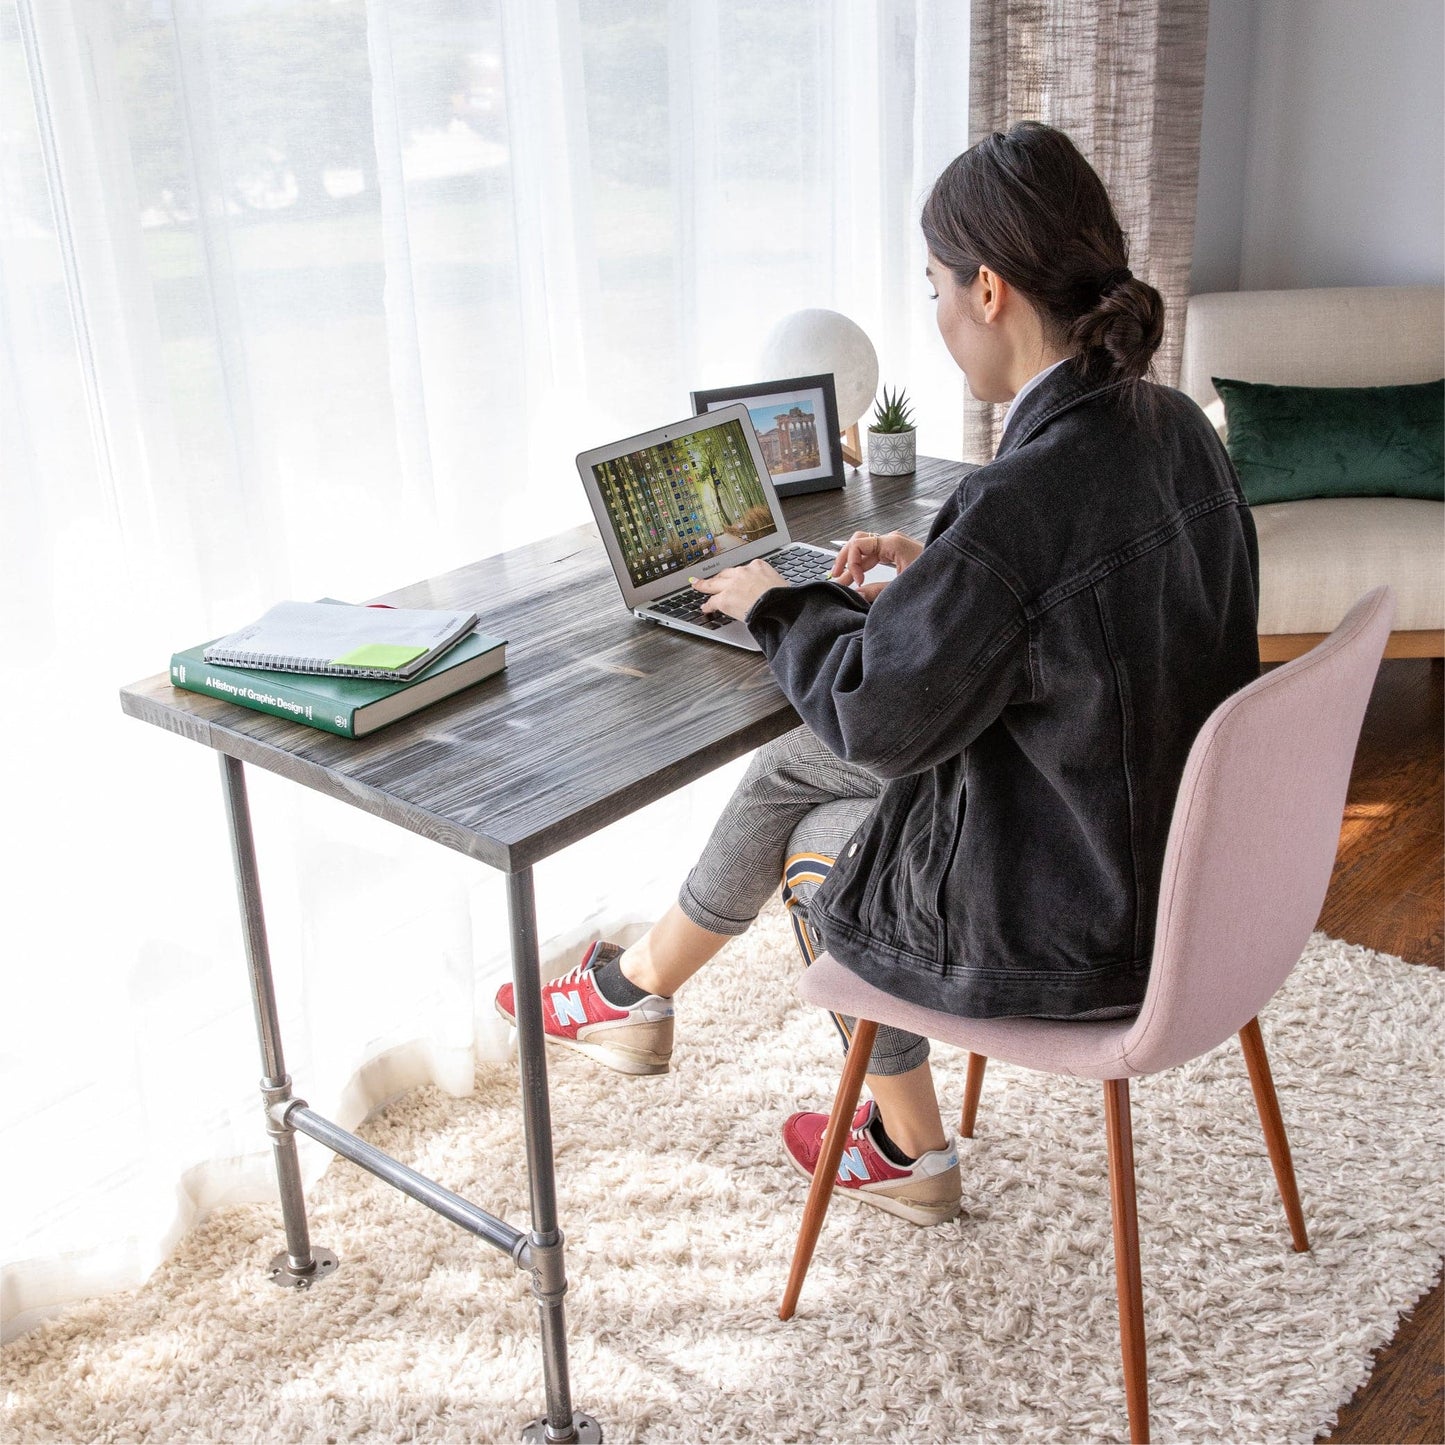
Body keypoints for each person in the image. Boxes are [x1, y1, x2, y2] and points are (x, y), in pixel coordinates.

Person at [497, 121, 1259, 1227]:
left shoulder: (1021, 501)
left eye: (934, 287)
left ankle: (904, 1146)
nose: (937, 314)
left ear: (988, 289)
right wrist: (942, 571)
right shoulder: (1171, 422)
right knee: (788, 762)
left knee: (822, 838)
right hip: (1173, 856)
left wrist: (775, 600)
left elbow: (877, 720)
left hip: (1085, 915)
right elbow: (1101, 605)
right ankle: (633, 992)